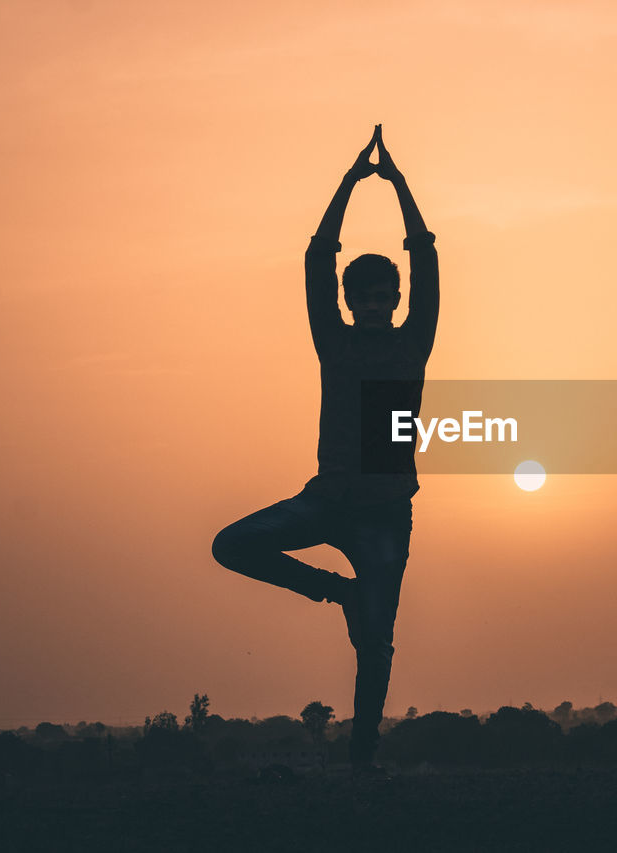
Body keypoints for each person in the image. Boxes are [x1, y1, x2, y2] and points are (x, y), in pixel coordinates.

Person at [211, 125, 438, 772]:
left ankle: (362, 753)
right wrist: (346, 183)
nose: (370, 303)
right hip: (328, 501)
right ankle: (334, 592)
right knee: (230, 544)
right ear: (348, 301)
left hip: (386, 513)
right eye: (360, 295)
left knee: (377, 642)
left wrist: (397, 185)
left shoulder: (410, 344)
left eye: (380, 295)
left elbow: (426, 259)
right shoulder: (333, 344)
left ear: (394, 301)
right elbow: (317, 257)